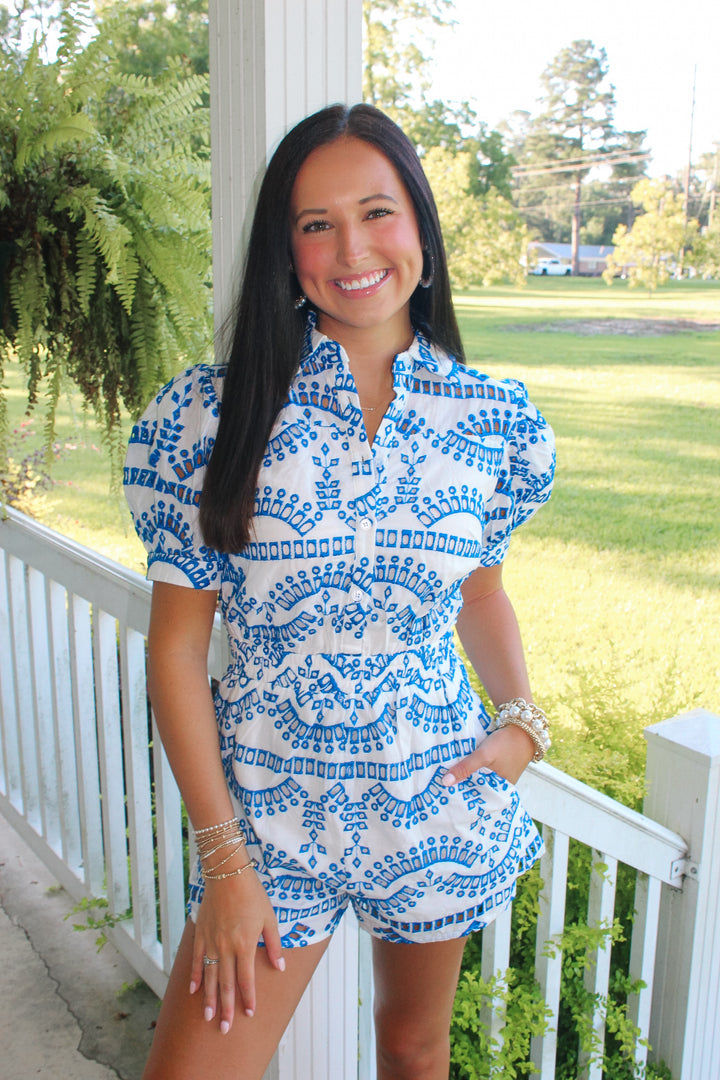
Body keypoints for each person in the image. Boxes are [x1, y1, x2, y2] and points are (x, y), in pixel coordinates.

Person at [124, 102, 555, 1080]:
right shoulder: (214, 415)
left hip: (432, 795)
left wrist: (521, 718)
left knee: (413, 1047)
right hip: (267, 820)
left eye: (377, 211)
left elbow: (480, 593)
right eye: (316, 222)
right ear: (287, 247)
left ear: (421, 229)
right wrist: (225, 867)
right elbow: (176, 651)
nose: (350, 246)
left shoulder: (489, 421)